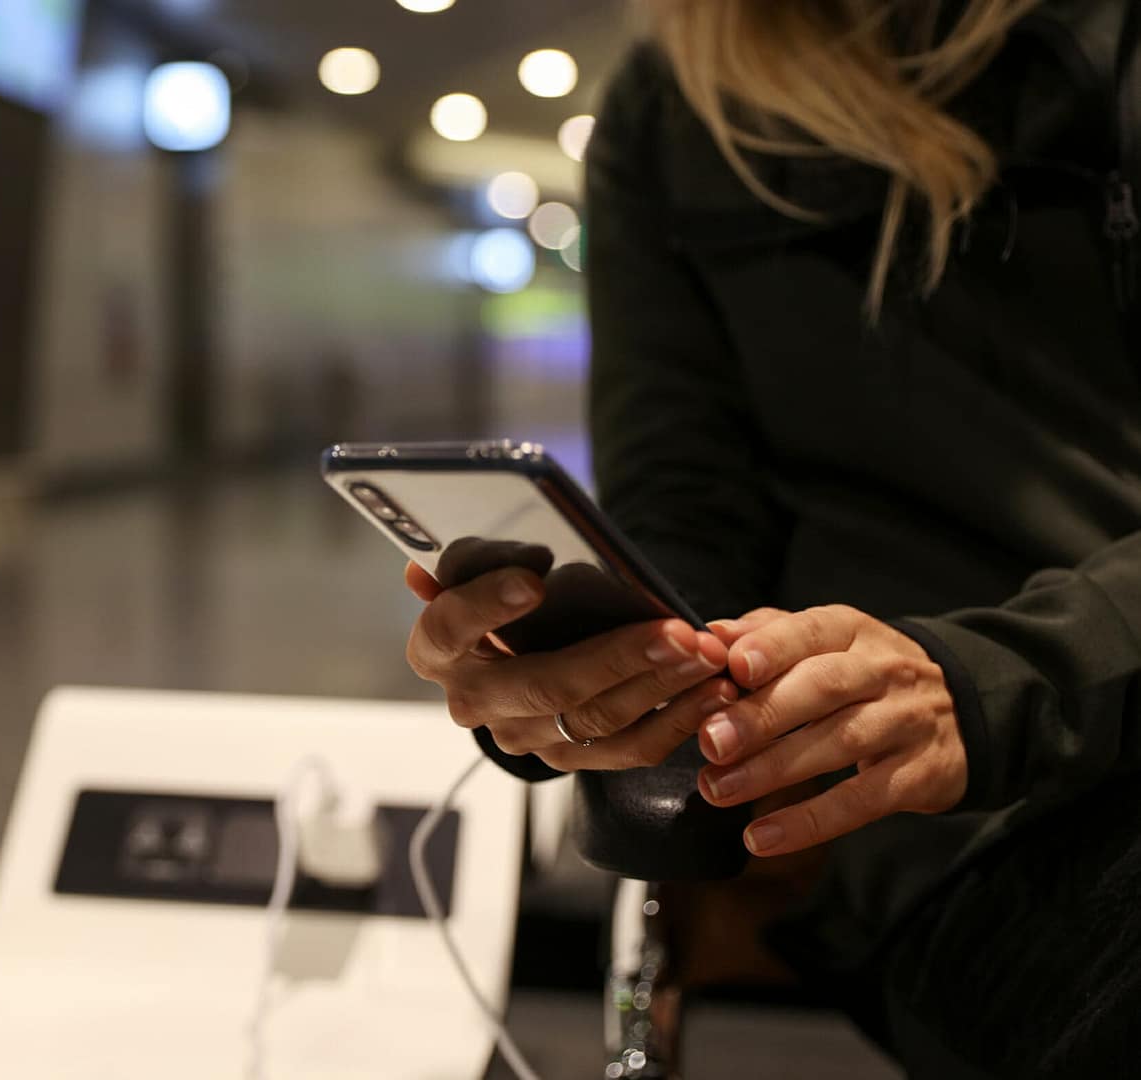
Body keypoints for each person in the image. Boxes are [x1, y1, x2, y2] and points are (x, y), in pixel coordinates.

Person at [402, 0, 1141, 1075]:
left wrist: (987, 684)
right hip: (954, 833)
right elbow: (688, 515)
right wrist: (582, 670)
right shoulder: (675, 105)